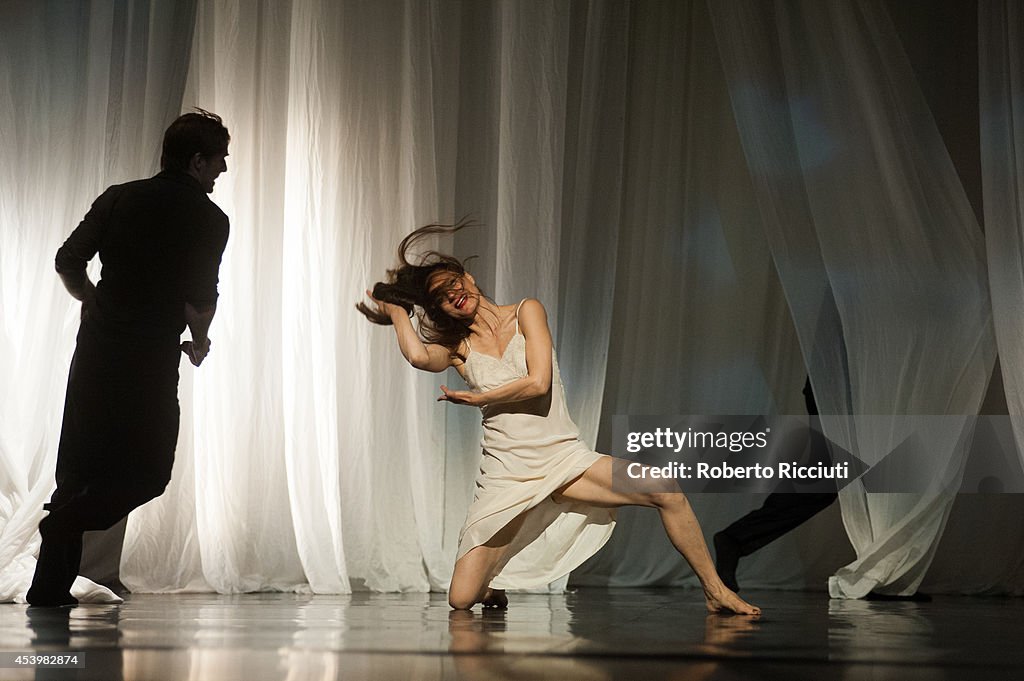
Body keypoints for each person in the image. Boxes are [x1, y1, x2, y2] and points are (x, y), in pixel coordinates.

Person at [358, 223, 759, 615]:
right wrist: (396, 311)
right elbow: (417, 357)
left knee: (665, 489)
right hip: (507, 475)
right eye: (443, 298)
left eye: (454, 284)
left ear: (469, 277)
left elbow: (538, 383)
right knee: (461, 599)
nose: (454, 296)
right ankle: (492, 583)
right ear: (440, 310)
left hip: (564, 461)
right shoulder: (457, 347)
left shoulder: (527, 310)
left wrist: (482, 397)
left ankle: (715, 589)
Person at [26, 109, 231, 607]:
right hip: (149, 360)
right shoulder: (209, 218)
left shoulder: (119, 197)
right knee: (150, 470)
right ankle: (62, 527)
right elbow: (200, 299)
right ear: (198, 161)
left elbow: (67, 260)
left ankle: (48, 592)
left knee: (77, 472)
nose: (223, 170)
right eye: (220, 159)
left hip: (96, 351)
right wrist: (200, 343)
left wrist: (90, 298)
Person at [713, 378, 836, 592]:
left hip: (839, 389)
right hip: (836, 389)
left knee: (822, 484)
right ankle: (734, 539)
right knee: (821, 484)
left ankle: (734, 538)